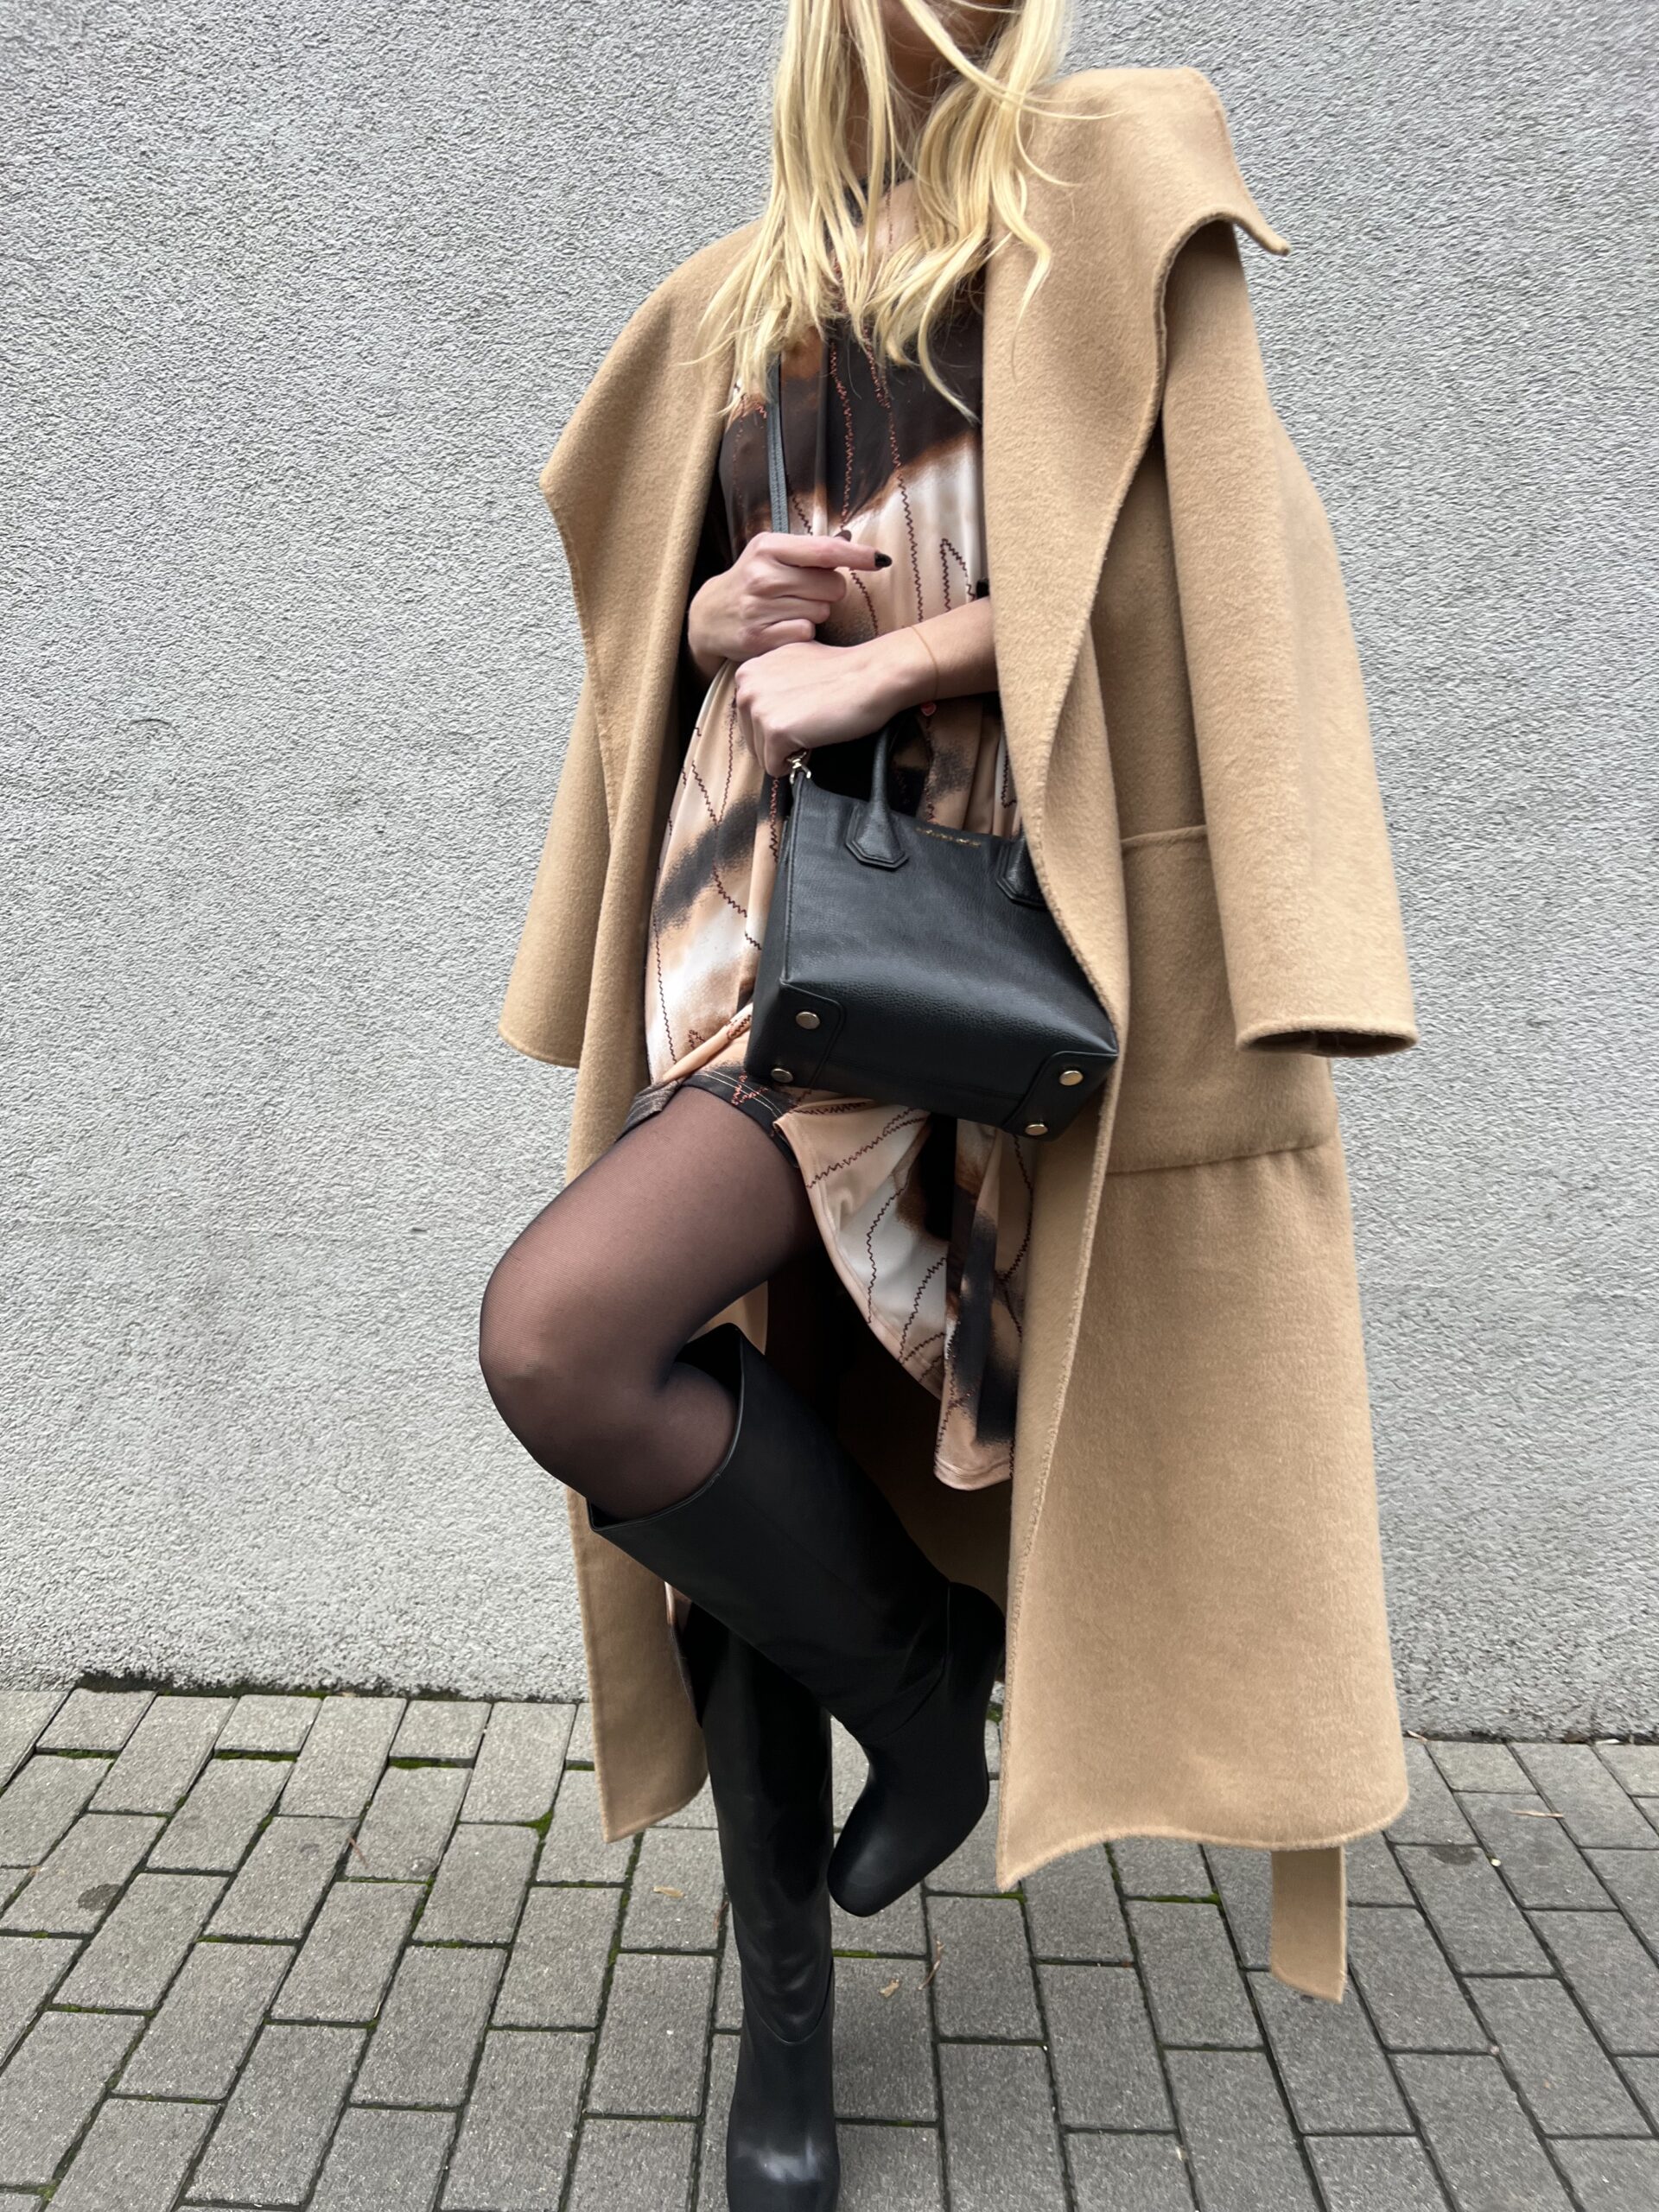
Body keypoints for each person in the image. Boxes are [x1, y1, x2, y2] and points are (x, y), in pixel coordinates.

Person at [483, 4, 1418, 2207]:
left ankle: (917, 1693)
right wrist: (723, 613)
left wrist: (888, 662)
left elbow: (1188, 576)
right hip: (747, 920)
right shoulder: (747, 293)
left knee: (567, 1336)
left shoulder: (1098, 207)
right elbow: (674, 625)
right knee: (697, 1411)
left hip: (972, 938)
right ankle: (798, 2006)